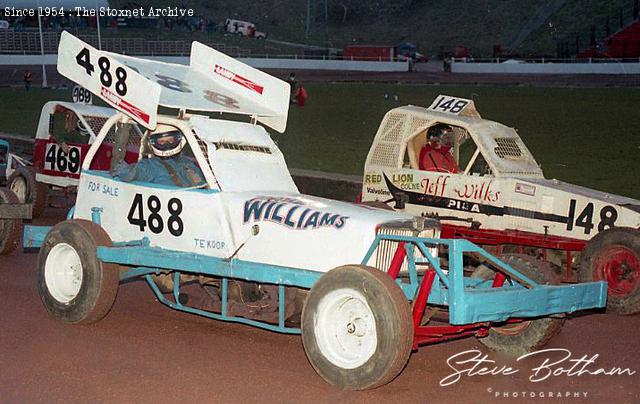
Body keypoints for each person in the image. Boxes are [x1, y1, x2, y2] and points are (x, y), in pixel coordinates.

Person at [115, 127, 205, 187]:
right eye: (161, 141)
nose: (167, 144)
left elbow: (203, 184)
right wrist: (122, 169)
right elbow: (130, 173)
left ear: (178, 140)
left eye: (170, 140)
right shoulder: (150, 166)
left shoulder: (187, 162)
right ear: (152, 144)